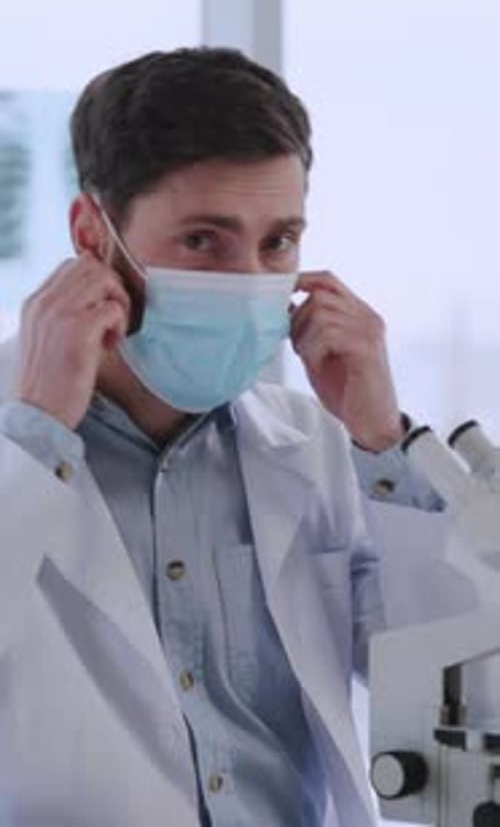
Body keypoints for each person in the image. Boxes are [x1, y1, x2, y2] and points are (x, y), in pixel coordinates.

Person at [0, 48, 452, 827]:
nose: (249, 278)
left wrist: (384, 444)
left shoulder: (313, 442)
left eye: (277, 242)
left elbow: (450, 691)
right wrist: (35, 437)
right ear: (91, 236)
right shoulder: (21, 444)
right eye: (205, 241)